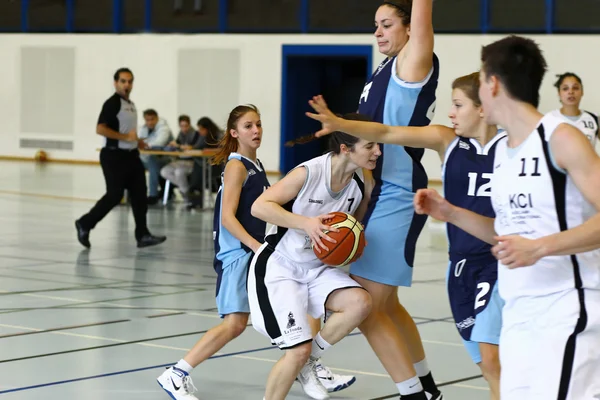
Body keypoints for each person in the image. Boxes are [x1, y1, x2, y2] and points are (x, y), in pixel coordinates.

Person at [414, 35, 600, 400]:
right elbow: (504, 232)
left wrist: (540, 248)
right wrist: (450, 212)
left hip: (567, 308)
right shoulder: (506, 153)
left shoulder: (560, 139)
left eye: (481, 81)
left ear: (493, 84)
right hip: (519, 313)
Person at [307, 72, 504, 398]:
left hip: (500, 263)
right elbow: (386, 131)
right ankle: (426, 388)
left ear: (483, 108)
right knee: (488, 366)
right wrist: (340, 123)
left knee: (498, 362)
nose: (451, 113)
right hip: (461, 268)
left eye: (458, 105)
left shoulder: (513, 147)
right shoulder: (447, 140)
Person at [247, 113, 378, 400]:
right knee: (296, 350)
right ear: (346, 149)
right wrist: (306, 223)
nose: (378, 152)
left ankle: (310, 362)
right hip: (280, 265)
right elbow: (260, 207)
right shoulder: (309, 173)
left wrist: (354, 242)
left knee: (360, 302)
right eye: (370, 146)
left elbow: (351, 230)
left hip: (316, 268)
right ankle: (303, 360)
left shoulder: (358, 186)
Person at [348, 1, 442, 398]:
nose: (378, 32)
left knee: (365, 304)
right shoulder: (385, 69)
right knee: (386, 306)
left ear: (409, 28)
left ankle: (413, 394)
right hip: (377, 196)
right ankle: (427, 387)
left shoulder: (412, 65)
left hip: (399, 196)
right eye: (376, 25)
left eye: (387, 24)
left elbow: (423, 14)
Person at [157, 105, 269, 399]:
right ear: (234, 133)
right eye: (248, 126)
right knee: (234, 324)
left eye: (258, 124)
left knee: (284, 309)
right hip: (237, 255)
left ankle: (303, 362)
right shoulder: (236, 166)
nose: (256, 130)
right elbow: (228, 218)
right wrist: (257, 247)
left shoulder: (254, 164)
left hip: (251, 252)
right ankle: (177, 373)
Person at [74, 68, 166, 249]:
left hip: (131, 156)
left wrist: (136, 142)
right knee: (114, 195)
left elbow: (127, 132)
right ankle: (85, 223)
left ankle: (143, 235)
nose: (127, 85)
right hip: (113, 156)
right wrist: (125, 139)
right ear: (115, 83)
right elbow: (100, 129)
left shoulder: (130, 104)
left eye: (130, 81)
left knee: (140, 195)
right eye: (123, 81)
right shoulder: (112, 103)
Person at [160, 115, 204, 204]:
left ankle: (187, 195)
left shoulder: (195, 134)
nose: (184, 128)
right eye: (182, 126)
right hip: (180, 161)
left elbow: (193, 147)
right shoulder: (180, 134)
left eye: (186, 126)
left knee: (179, 172)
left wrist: (179, 146)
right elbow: (178, 146)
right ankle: (186, 190)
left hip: (191, 162)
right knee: (164, 171)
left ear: (189, 124)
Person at [548, 72, 598, 146]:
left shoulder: (594, 119)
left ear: (582, 92)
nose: (571, 92)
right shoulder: (549, 119)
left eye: (575, 88)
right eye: (565, 89)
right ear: (559, 93)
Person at [138, 109, 174, 204]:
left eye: (152, 119)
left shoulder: (164, 128)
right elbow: (139, 140)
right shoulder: (143, 128)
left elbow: (160, 142)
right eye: (147, 120)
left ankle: (152, 195)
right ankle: (132, 194)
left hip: (165, 160)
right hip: (148, 158)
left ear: (157, 118)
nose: (149, 122)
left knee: (152, 161)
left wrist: (146, 145)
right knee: (133, 163)